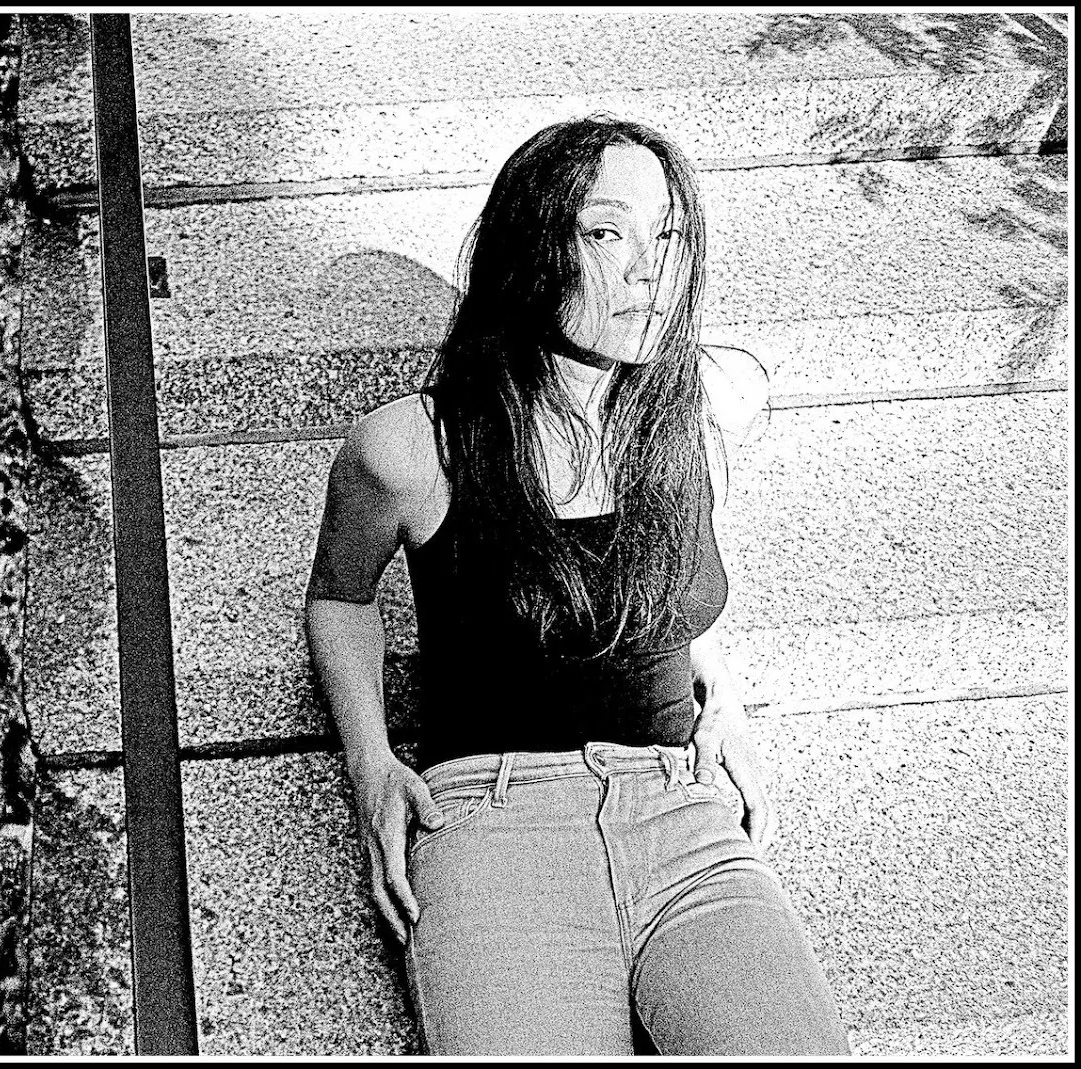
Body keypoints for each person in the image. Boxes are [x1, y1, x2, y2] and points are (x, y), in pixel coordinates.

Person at [302, 115, 850, 1056]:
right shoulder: (410, 448)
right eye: (607, 233)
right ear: (532, 247)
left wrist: (718, 686)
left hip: (682, 813)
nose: (649, 270)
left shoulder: (707, 413)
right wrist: (371, 764)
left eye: (669, 237)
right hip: (494, 826)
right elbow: (339, 598)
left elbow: (669, 567)